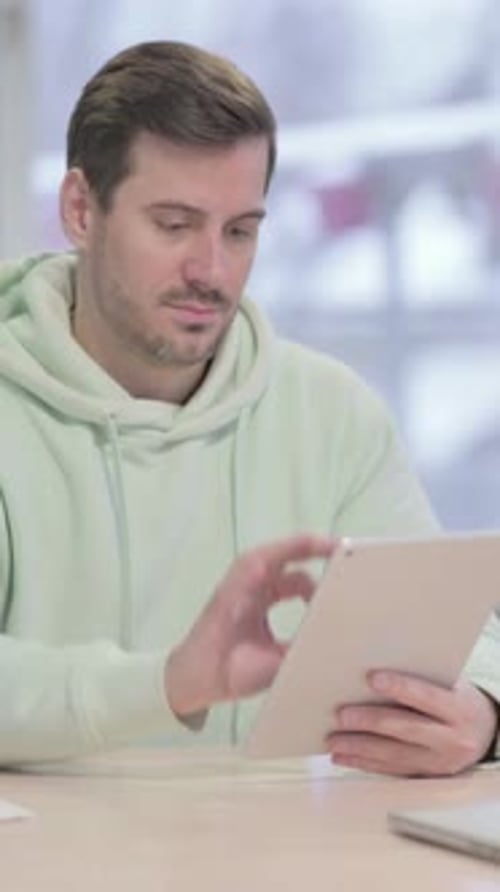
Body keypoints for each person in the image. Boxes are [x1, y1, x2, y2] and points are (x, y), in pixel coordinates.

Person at [0, 40, 498, 774]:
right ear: (80, 208)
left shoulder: (331, 413)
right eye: (173, 225)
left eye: (240, 231)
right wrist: (169, 684)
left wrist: (483, 715)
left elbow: (460, 638)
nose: (212, 270)